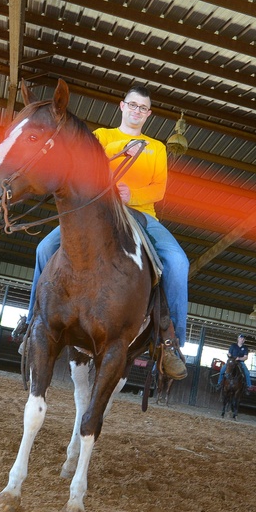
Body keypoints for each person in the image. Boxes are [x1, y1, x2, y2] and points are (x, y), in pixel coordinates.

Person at [26, 85, 189, 379]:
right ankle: (33, 323)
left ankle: (170, 343)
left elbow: (159, 189)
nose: (137, 111)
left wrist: (131, 194)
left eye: (143, 108)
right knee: (44, 249)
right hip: (98, 213)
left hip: (140, 214)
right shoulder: (101, 137)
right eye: (133, 105)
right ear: (122, 106)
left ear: (148, 114)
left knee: (178, 262)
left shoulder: (157, 148)